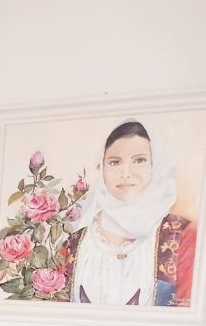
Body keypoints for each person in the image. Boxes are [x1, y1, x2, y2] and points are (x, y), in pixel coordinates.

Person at [68, 119, 197, 306]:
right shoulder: (74, 239)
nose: (126, 173)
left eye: (139, 160)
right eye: (114, 162)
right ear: (101, 167)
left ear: (157, 165)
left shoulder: (183, 235)